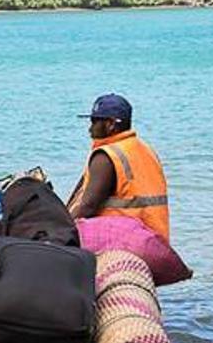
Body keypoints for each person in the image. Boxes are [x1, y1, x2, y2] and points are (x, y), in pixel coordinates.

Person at [66, 93, 172, 243]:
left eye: (94, 122)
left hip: (122, 241)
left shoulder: (106, 156)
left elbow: (87, 208)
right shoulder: (147, 149)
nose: (90, 129)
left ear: (110, 124)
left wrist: (59, 233)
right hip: (156, 240)